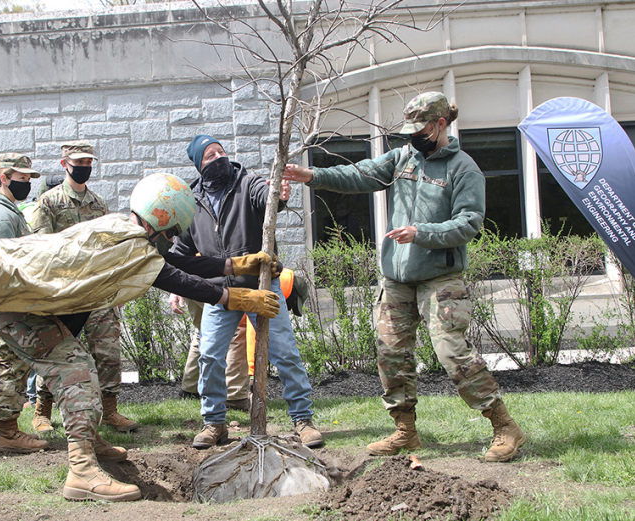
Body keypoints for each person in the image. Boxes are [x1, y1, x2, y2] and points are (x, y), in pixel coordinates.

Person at [0, 173, 281, 501]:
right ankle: (82, 471)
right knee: (78, 372)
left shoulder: (122, 230)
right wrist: (234, 298)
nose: (172, 240)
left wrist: (235, 264)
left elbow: (170, 262)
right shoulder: (130, 244)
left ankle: (88, 438)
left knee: (82, 371)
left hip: (10, 290)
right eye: (171, 232)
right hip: (11, 300)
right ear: (159, 220)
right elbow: (171, 276)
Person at [283, 91, 527, 462]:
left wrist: (422, 234)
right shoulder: (401, 158)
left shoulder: (464, 169)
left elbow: (470, 223)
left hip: (441, 278)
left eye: (420, 127)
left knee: (451, 352)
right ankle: (405, 431)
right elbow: (359, 174)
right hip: (396, 279)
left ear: (440, 124)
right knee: (391, 354)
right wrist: (312, 175)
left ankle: (504, 427)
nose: (412, 134)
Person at [170, 134, 323, 450]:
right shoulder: (192, 201)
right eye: (209, 155)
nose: (218, 158)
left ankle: (303, 419)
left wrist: (277, 195)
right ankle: (215, 423)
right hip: (220, 295)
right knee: (210, 357)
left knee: (285, 353)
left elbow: (267, 200)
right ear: (199, 164)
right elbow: (180, 249)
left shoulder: (247, 182)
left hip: (261, 288)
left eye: (220, 152)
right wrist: (175, 288)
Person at [30, 141, 136, 433]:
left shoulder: (98, 203)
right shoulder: (48, 203)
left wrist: (114, 289)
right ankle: (42, 411)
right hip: (64, 293)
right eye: (79, 162)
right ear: (64, 164)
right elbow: (42, 251)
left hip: (97, 290)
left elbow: (107, 247)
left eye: (89, 162)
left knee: (108, 350)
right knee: (56, 350)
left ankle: (110, 410)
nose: (84, 167)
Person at [0, 153, 48, 454]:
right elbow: (5, 268)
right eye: (21, 179)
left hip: (13, 303)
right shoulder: (1, 218)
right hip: (10, 306)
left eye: (30, 179)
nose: (27, 184)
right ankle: (7, 432)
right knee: (11, 366)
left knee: (13, 363)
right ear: (4, 179)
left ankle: (4, 430)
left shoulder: (10, 211)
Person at [17, 174, 64, 408]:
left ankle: (37, 399)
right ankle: (36, 402)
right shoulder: (34, 210)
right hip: (42, 288)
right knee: (44, 347)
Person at [172, 297, 250, 411]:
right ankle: (234, 395)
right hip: (214, 285)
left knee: (203, 330)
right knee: (238, 327)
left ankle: (190, 389)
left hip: (189, 284)